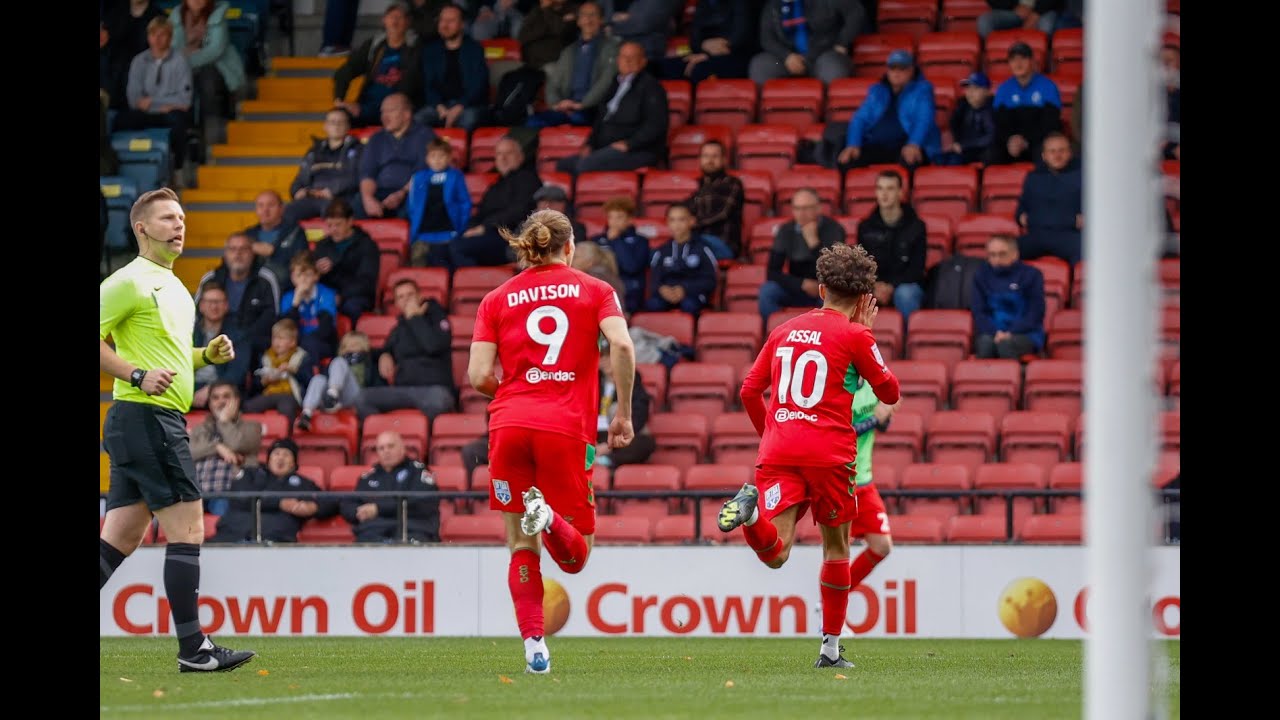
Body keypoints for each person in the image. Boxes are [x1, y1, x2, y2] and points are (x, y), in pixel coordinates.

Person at [468, 208, 637, 674]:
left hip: (508, 424)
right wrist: (622, 413)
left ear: (526, 247)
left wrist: (516, 396)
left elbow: (478, 374)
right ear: (570, 247)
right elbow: (621, 346)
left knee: (520, 547)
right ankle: (551, 520)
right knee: (576, 556)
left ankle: (535, 649)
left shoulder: (496, 298)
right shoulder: (596, 291)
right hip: (564, 427)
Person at [719, 243, 900, 669]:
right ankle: (830, 651)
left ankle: (749, 515)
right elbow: (890, 393)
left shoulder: (783, 329)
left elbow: (748, 390)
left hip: (779, 449)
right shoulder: (857, 334)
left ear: (820, 289)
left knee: (776, 552)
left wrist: (772, 435)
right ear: (862, 300)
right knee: (836, 550)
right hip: (830, 455)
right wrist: (866, 334)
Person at [99, 187, 256, 672]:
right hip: (147, 419)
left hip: (146, 420)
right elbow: (138, 365)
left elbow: (166, 358)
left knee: (120, 538)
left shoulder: (175, 286)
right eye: (168, 218)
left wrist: (203, 357)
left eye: (183, 217)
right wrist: (137, 376)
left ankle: (195, 649)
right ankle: (195, 650)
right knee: (189, 528)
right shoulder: (128, 281)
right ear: (141, 228)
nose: (180, 225)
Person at [214, 439, 338, 543]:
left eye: (286, 454)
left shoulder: (302, 483)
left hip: (276, 542)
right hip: (231, 537)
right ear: (269, 459)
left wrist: (314, 507)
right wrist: (280, 503)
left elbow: (331, 501)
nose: (280, 458)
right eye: (276, 453)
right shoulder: (251, 474)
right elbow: (240, 497)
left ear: (294, 463)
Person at [838, 50, 940, 170]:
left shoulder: (922, 90)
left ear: (911, 70)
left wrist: (914, 143)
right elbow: (860, 119)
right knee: (847, 161)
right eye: (893, 68)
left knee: (911, 161)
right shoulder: (877, 91)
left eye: (902, 68)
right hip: (876, 146)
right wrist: (853, 144)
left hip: (905, 146)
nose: (896, 72)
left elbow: (923, 120)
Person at [844, 377, 898, 604]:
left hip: (864, 480)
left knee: (882, 546)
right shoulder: (837, 388)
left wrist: (887, 412)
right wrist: (875, 418)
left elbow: (882, 424)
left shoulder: (871, 384)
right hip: (839, 481)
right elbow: (839, 434)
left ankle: (834, 600)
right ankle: (828, 611)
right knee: (838, 551)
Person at [758, 188, 845, 321]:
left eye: (806, 208)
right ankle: (776, 335)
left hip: (824, 288)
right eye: (797, 209)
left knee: (833, 295)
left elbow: (836, 270)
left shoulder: (834, 229)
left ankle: (823, 338)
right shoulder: (786, 230)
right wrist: (801, 284)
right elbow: (772, 272)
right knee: (767, 292)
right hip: (797, 286)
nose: (801, 214)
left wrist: (814, 243)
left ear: (818, 208)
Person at [340, 431, 442, 542]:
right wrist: (359, 512)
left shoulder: (419, 472)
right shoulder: (368, 477)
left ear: (402, 448)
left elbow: (422, 504)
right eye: (381, 448)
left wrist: (378, 509)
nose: (386, 451)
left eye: (391, 446)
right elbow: (348, 503)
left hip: (412, 531)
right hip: (373, 534)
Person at [856, 170, 927, 325]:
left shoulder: (917, 226)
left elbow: (917, 269)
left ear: (901, 192)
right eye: (880, 188)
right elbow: (861, 266)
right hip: (873, 284)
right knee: (847, 293)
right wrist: (875, 285)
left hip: (904, 285)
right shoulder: (865, 227)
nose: (884, 194)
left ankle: (908, 344)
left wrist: (891, 286)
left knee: (906, 294)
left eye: (890, 188)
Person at [189, 380, 261, 517]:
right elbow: (189, 452)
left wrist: (224, 421)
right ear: (209, 403)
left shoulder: (252, 427)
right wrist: (217, 447)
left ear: (237, 400)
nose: (221, 402)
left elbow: (237, 444)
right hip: (197, 492)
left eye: (226, 397)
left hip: (231, 493)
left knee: (225, 520)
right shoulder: (200, 428)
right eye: (215, 398)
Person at [971, 233, 1046, 360]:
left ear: (1015, 254)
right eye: (992, 255)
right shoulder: (981, 276)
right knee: (985, 345)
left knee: (1005, 345)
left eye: (1002, 254)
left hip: (1026, 333)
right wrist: (995, 332)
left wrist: (1010, 332)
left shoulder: (1032, 275)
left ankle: (1015, 378)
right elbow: (979, 312)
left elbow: (1036, 312)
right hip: (992, 333)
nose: (996, 259)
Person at [1015, 132, 1082, 265]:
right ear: (1044, 156)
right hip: (1037, 236)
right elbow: (1020, 212)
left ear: (1069, 153)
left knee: (1089, 251)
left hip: (1069, 237)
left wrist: (1036, 218)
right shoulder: (1033, 177)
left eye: (1062, 151)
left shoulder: (1082, 176)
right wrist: (1069, 219)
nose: (1057, 155)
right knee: (1006, 250)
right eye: (1052, 151)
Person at [407, 137, 472, 267]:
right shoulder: (418, 178)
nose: (437, 160)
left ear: (449, 158)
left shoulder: (456, 176)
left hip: (449, 233)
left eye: (441, 156)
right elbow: (412, 205)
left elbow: (464, 203)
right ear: (427, 158)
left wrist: (460, 227)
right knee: (419, 268)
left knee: (447, 268)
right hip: (423, 235)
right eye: (433, 156)